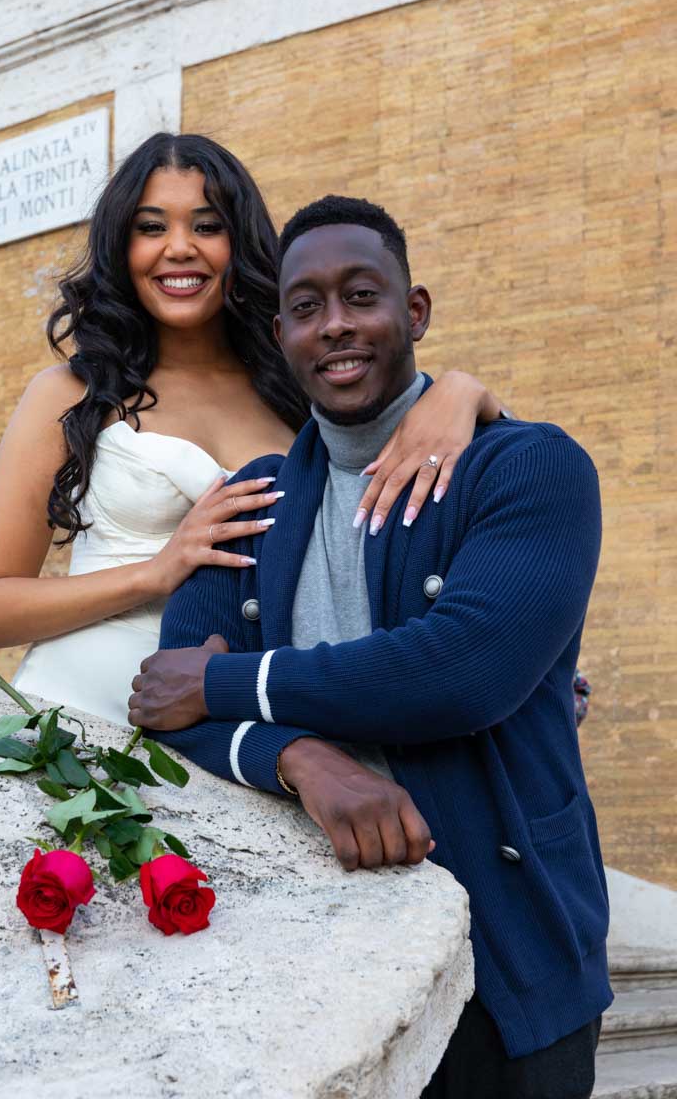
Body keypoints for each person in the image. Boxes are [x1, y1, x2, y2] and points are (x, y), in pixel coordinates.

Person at [128, 195, 611, 1098]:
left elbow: (460, 671)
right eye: (307, 307)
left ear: (415, 311)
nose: (336, 325)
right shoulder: (254, 497)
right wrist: (301, 759)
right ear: (281, 333)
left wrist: (233, 680)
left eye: (362, 296)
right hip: (315, 956)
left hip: (508, 948)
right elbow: (167, 704)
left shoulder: (529, 468)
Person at [0, 135, 508, 724]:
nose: (178, 248)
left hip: (244, 725)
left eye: (207, 226)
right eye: (150, 228)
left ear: (238, 243)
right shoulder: (73, 393)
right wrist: (156, 571)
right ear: (122, 247)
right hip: (79, 712)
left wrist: (462, 391)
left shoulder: (303, 394)